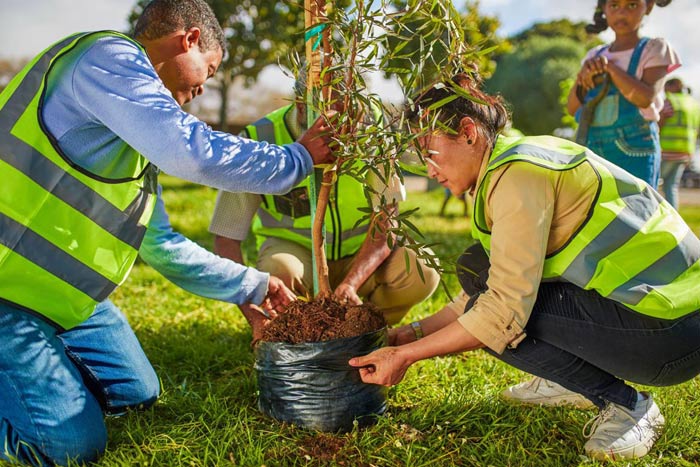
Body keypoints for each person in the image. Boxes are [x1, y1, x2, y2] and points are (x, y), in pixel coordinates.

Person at [0, 0, 338, 465]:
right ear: (190, 40)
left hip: (67, 301)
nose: (204, 87)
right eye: (210, 69)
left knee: (138, 395)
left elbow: (163, 246)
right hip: (7, 294)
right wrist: (297, 159)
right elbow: (191, 152)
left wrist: (253, 284)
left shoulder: (132, 144)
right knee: (71, 447)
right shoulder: (107, 59)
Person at [349, 72, 700, 461]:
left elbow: (500, 311)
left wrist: (405, 357)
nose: (429, 170)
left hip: (670, 332)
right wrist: (412, 333)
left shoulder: (518, 176)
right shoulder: (518, 156)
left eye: (429, 152)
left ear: (468, 132)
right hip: (670, 314)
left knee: (499, 322)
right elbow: (486, 287)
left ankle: (628, 405)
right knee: (476, 267)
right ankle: (573, 381)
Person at [209, 80, 440, 328]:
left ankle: (364, 328)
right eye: (333, 119)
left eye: (352, 116)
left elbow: (387, 221)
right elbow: (226, 236)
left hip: (361, 256)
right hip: (297, 256)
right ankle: (294, 330)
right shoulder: (260, 140)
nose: (346, 130)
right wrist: (253, 314)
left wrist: (351, 283)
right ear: (300, 107)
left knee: (421, 271)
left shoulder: (375, 132)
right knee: (279, 271)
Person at [566, 0, 680, 188]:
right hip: (592, 147)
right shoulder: (593, 56)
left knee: (635, 210)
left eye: (632, 5)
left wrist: (610, 68)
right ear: (604, 8)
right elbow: (572, 108)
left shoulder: (654, 49)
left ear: (649, 7)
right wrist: (582, 78)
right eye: (614, 6)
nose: (622, 12)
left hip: (636, 150)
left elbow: (644, 98)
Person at [659, 77, 700, 209]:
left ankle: (650, 217)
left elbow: (659, 123)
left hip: (666, 151)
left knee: (653, 184)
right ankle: (673, 217)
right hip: (685, 152)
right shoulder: (693, 104)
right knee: (671, 186)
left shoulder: (670, 101)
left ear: (672, 86)